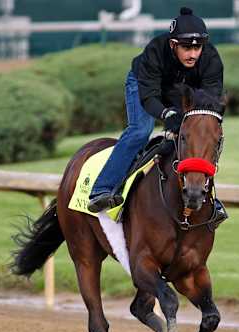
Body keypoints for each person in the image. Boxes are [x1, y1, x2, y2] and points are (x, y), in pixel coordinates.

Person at [87, 7, 227, 221]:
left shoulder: (211, 60)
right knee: (140, 131)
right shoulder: (154, 51)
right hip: (144, 85)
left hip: (181, 89)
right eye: (186, 48)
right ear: (173, 44)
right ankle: (102, 189)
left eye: (198, 47)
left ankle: (210, 199)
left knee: (203, 135)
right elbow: (149, 97)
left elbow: (210, 103)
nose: (193, 54)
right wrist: (166, 113)